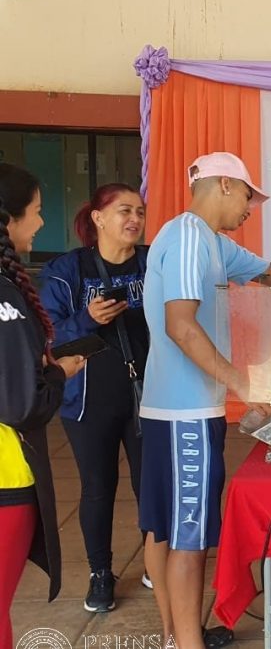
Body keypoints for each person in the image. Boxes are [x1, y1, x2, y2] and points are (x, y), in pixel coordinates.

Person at [139, 152, 271, 649]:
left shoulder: (216, 244)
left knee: (175, 530)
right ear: (224, 184)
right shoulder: (185, 237)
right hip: (184, 415)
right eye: (247, 195)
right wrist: (244, 386)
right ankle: (186, 643)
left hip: (192, 410)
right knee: (189, 538)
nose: (250, 208)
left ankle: (180, 634)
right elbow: (181, 325)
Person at [39, 183, 150, 613]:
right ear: (98, 218)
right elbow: (48, 334)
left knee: (150, 485)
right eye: (124, 211)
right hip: (88, 399)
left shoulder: (152, 261)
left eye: (140, 212)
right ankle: (100, 573)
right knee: (98, 488)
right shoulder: (68, 270)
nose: (134, 220)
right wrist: (87, 318)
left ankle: (154, 564)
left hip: (147, 393)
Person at [0, 163, 86, 649]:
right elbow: (22, 403)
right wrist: (59, 373)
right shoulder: (5, 296)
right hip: (5, 475)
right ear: (7, 220)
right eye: (33, 212)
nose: (39, 223)